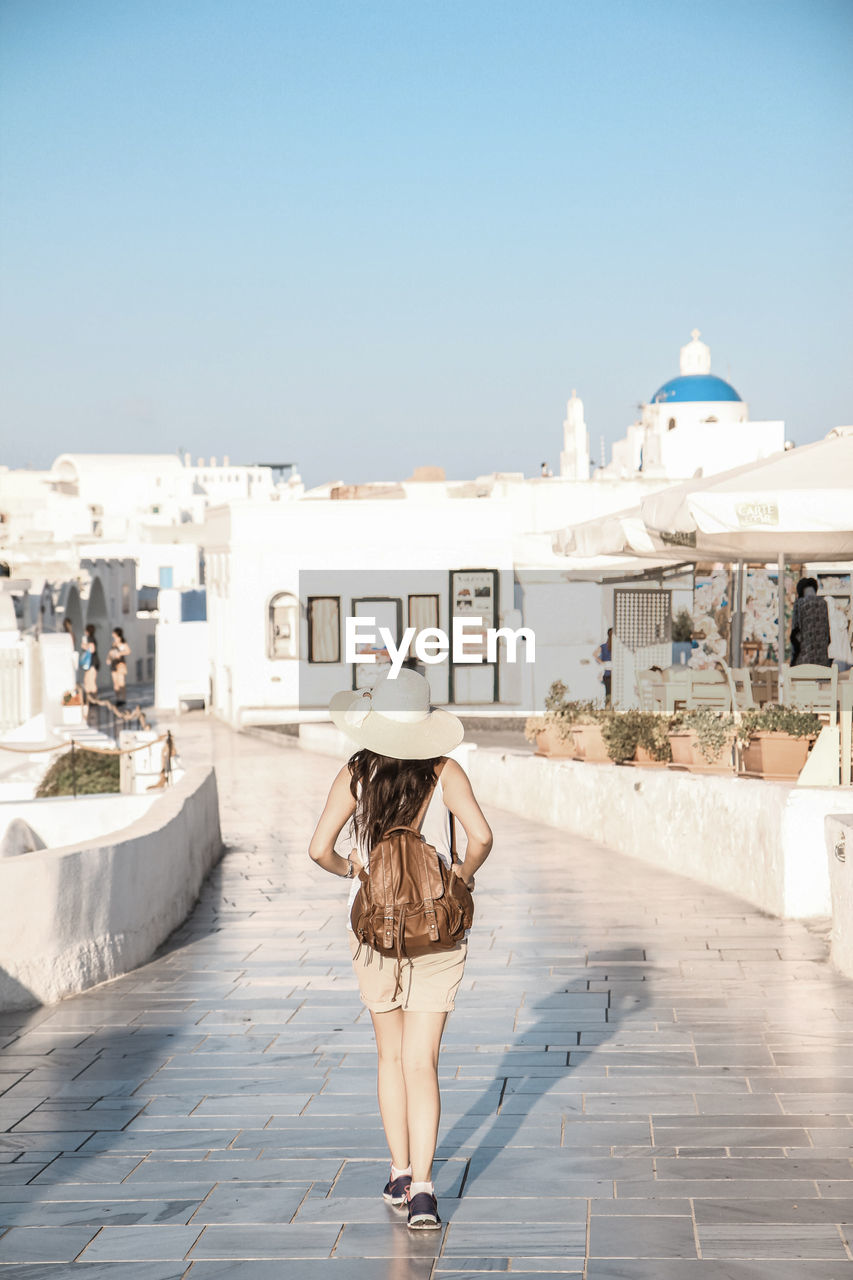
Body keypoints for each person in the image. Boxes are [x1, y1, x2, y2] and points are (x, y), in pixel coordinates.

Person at [309, 669, 492, 1231]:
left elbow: (319, 850)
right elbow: (482, 837)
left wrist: (355, 869)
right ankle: (425, 1193)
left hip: (373, 932)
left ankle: (398, 1172)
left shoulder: (357, 773)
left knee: (390, 1056)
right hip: (439, 930)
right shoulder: (446, 771)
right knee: (423, 1061)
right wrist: (456, 879)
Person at [790, 578, 831, 667]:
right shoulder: (824, 603)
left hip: (804, 660)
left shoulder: (799, 603)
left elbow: (795, 632)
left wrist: (793, 660)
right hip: (822, 662)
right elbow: (827, 633)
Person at [107, 627, 131, 707]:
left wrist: (120, 653)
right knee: (115, 683)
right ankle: (118, 698)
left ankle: (123, 699)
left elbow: (128, 651)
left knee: (121, 682)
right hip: (114, 664)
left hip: (120, 664)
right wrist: (108, 659)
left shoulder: (123, 643)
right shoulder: (114, 643)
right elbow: (110, 653)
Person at [79, 624, 99, 703]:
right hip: (92, 663)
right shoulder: (92, 638)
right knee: (87, 680)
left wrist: (84, 646)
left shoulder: (90, 639)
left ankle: (93, 699)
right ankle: (90, 699)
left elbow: (92, 649)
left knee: (91, 681)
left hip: (92, 663)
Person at [595, 627, 613, 704]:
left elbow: (594, 654)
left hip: (607, 673)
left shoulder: (604, 646)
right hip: (611, 673)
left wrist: (602, 662)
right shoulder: (615, 647)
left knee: (608, 693)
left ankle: (608, 707)